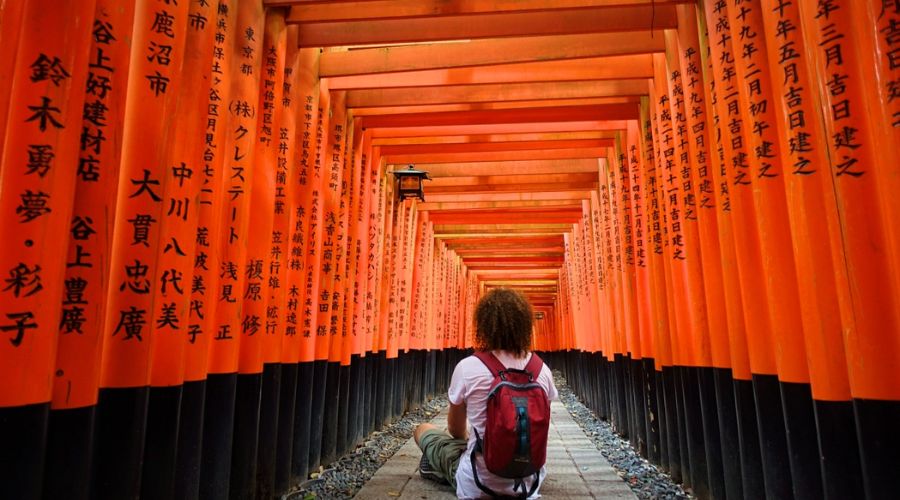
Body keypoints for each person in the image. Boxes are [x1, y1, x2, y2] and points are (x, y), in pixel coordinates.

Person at [414, 287, 559, 499]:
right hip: (529, 483)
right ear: (525, 326)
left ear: (484, 325)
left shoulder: (468, 367)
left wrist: (476, 439)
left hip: (477, 484)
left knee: (423, 429)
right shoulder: (541, 370)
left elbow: (455, 429)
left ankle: (437, 467)